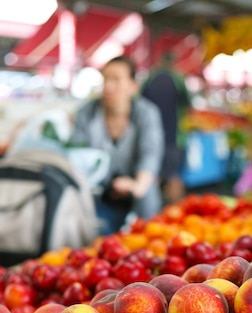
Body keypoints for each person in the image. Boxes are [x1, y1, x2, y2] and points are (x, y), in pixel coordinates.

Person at [70, 55, 165, 235]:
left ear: (133, 86)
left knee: (147, 231)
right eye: (105, 79)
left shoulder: (146, 113)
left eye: (116, 80)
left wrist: (137, 187)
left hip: (139, 190)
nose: (108, 87)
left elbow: (150, 154)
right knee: (98, 237)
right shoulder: (86, 113)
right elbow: (77, 154)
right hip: (99, 193)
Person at [141, 52, 191, 203]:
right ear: (173, 63)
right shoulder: (178, 79)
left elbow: (140, 104)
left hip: (151, 135)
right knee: (174, 176)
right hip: (174, 137)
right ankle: (175, 214)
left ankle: (153, 214)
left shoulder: (150, 79)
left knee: (151, 174)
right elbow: (188, 105)